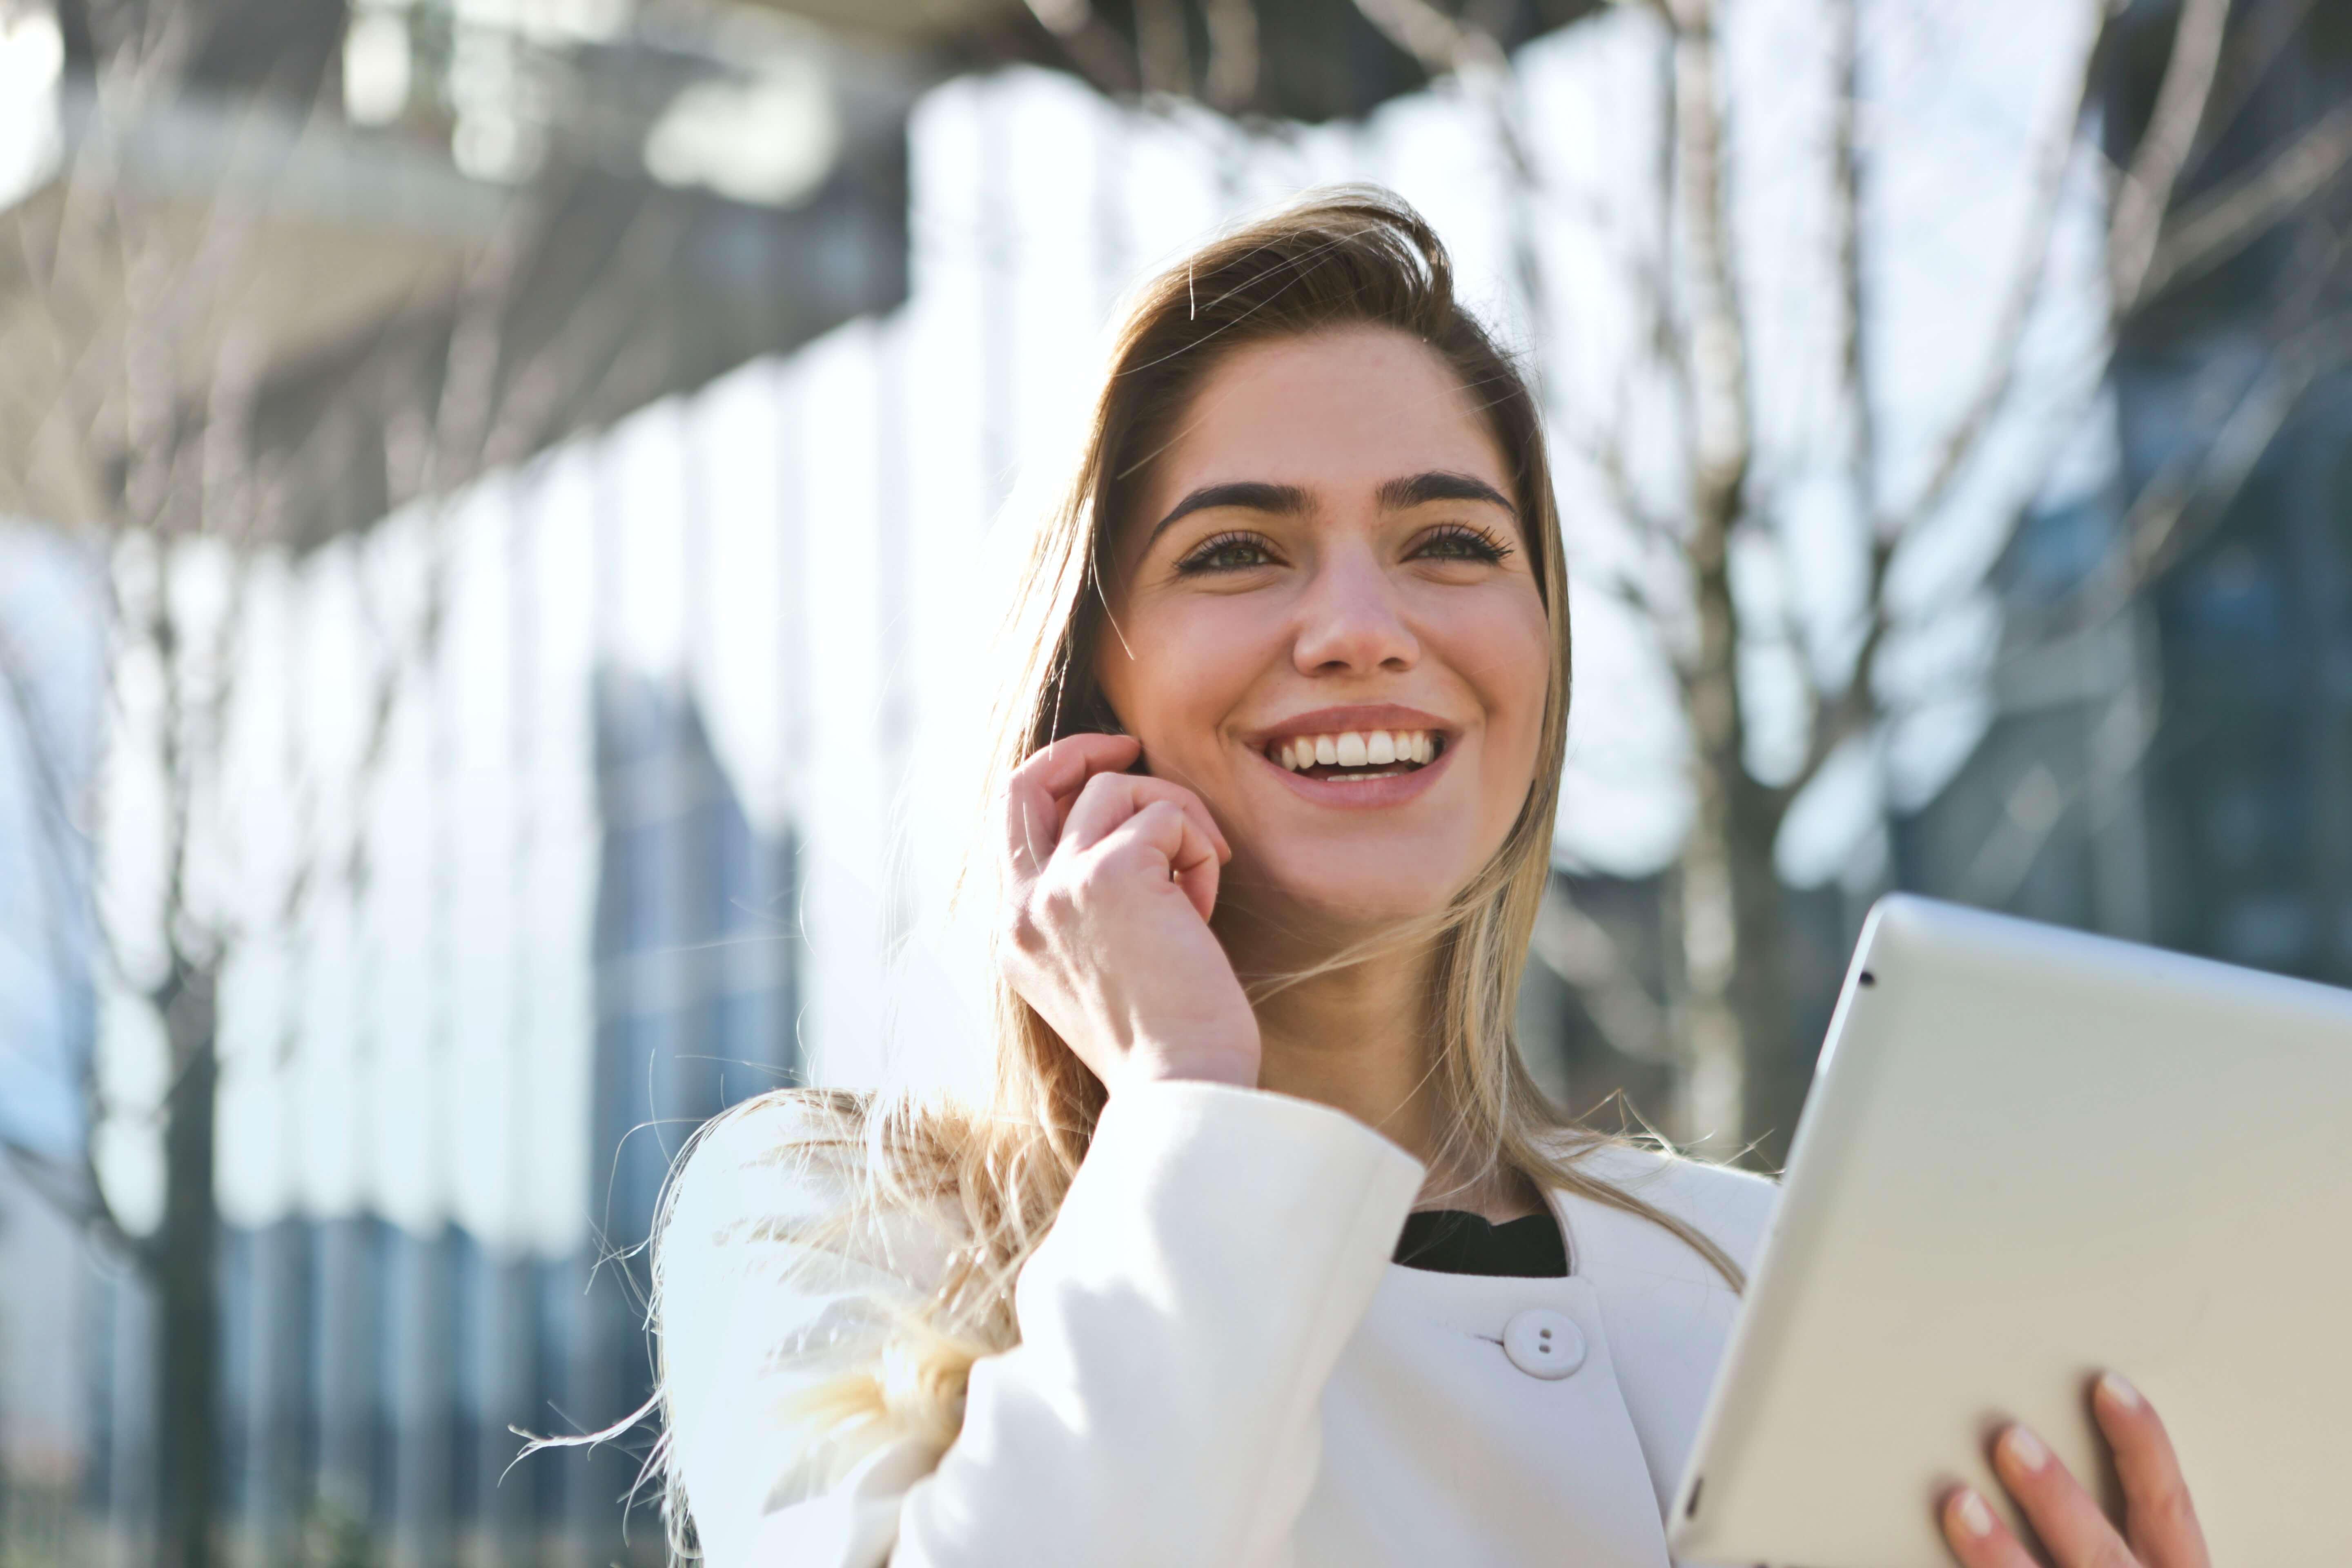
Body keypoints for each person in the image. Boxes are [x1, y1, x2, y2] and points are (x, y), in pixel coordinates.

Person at [651, 189, 2209, 1568]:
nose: (1361, 626)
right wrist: (1193, 1103)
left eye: (1452, 543)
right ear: (1084, 684)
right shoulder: (822, 1224)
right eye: (1238, 551)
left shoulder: (1763, 1273)